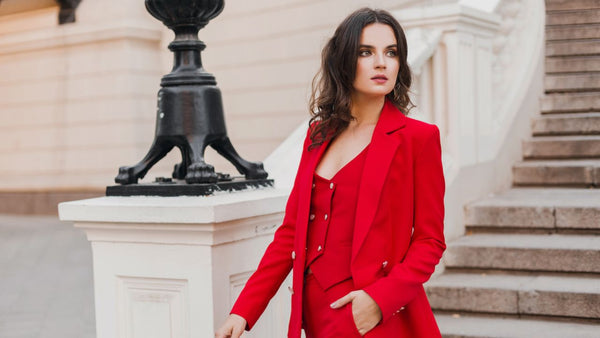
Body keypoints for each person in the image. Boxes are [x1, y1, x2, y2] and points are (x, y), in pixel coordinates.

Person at [216, 7, 445, 338]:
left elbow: (430, 241)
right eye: (366, 52)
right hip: (313, 312)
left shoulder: (418, 139)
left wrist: (379, 300)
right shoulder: (318, 136)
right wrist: (243, 310)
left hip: (370, 316)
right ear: (343, 60)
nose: (382, 62)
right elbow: (290, 233)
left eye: (391, 52)